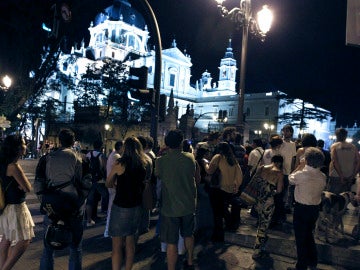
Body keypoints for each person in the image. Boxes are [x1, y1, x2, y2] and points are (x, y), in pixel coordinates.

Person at [36, 129, 84, 270]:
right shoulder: (78, 158)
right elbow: (83, 182)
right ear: (73, 141)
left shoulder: (47, 157)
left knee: (48, 246)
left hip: (52, 205)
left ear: (59, 141)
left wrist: (44, 201)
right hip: (73, 206)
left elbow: (39, 182)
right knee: (75, 247)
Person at [155, 129, 197, 270]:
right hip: (188, 204)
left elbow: (158, 177)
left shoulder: (160, 162)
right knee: (188, 234)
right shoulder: (190, 158)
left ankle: (171, 268)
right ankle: (190, 260)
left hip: (170, 206)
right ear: (181, 142)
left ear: (166, 143)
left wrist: (161, 153)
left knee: (171, 241)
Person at [106, 137, 147, 270]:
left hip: (121, 207)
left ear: (125, 148)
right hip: (136, 207)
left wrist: (115, 183)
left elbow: (108, 182)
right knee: (130, 243)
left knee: (117, 246)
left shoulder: (120, 164)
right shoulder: (143, 164)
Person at [287, 147, 326, 270]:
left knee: (300, 238)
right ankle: (312, 261)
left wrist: (300, 165)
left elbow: (290, 178)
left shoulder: (301, 174)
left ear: (307, 159)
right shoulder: (322, 176)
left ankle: (301, 266)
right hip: (314, 210)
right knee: (309, 235)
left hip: (301, 209)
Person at [0, 135, 34, 270]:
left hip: (6, 207)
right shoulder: (14, 166)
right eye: (24, 144)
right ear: (18, 148)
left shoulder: (3, 163)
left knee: (6, 239)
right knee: (25, 239)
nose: (26, 146)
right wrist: (21, 185)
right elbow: (27, 187)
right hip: (17, 208)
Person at [206, 142, 243, 240]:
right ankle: (230, 224)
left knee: (217, 212)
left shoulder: (218, 157)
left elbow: (210, 171)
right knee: (223, 209)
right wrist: (236, 186)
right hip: (228, 190)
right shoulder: (233, 160)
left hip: (218, 188)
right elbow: (239, 176)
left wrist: (205, 164)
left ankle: (218, 234)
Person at [252, 155, 284, 259]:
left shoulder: (261, 168)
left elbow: (255, 182)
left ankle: (263, 241)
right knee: (263, 227)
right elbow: (279, 190)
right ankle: (257, 251)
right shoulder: (279, 173)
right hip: (268, 203)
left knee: (260, 223)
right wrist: (271, 190)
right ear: (279, 163)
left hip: (258, 201)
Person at [273, 124, 296, 226]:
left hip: (287, 172)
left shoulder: (292, 144)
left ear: (291, 132)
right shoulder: (280, 142)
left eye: (288, 131)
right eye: (284, 131)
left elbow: (293, 158)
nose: (286, 133)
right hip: (278, 170)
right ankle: (277, 214)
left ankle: (280, 214)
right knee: (277, 192)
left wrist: (292, 170)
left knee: (283, 193)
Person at [328, 128, 360, 194]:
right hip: (349, 177)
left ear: (336, 136)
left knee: (334, 198)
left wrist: (341, 176)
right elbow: (358, 161)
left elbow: (334, 161)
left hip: (336, 176)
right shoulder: (353, 147)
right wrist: (353, 175)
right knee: (346, 198)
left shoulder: (334, 146)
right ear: (346, 136)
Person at [85, 140, 108, 226]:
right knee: (107, 196)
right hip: (100, 180)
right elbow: (106, 169)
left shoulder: (88, 155)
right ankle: (107, 216)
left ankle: (89, 219)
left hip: (90, 180)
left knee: (90, 200)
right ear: (101, 147)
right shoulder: (101, 155)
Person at [104, 140, 123, 238]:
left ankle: (107, 230)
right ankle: (108, 231)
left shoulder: (112, 154)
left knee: (111, 208)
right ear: (120, 147)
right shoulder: (117, 157)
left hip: (111, 184)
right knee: (112, 208)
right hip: (114, 185)